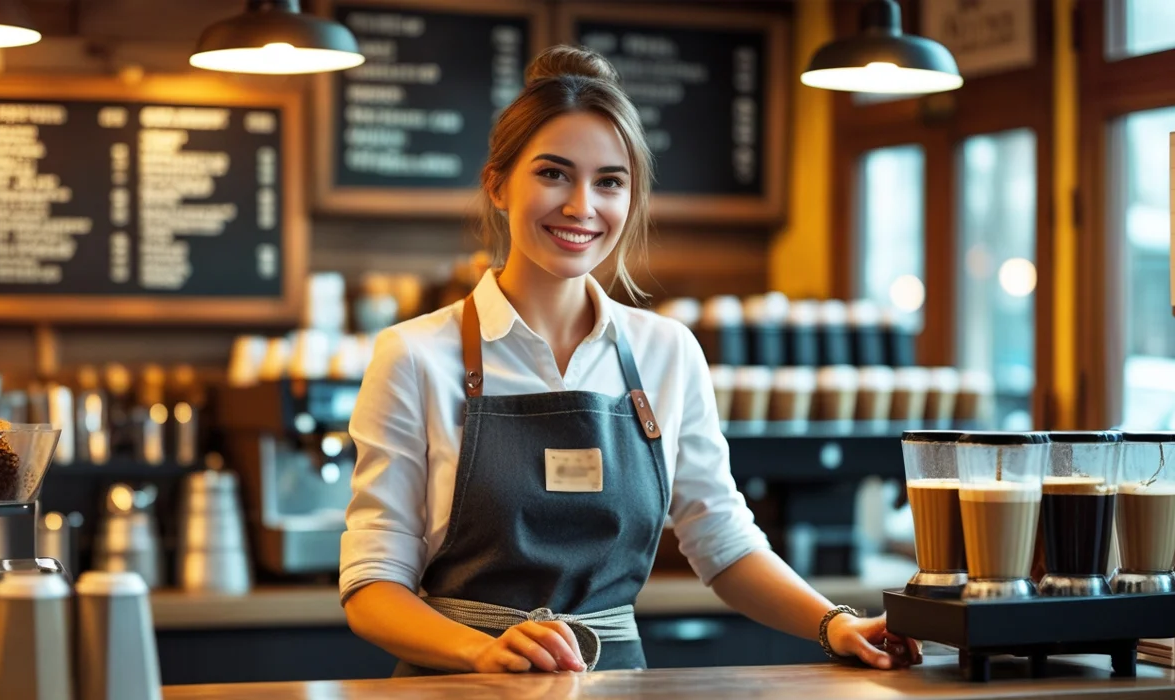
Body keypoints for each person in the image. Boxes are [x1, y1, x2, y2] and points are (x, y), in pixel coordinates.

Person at [340, 45, 921, 676]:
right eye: (553, 174)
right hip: (456, 685)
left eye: (609, 181)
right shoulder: (415, 356)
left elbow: (722, 541)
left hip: (614, 683)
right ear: (498, 185)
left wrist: (834, 623)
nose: (581, 206)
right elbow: (372, 585)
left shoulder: (666, 352)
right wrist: (481, 650)